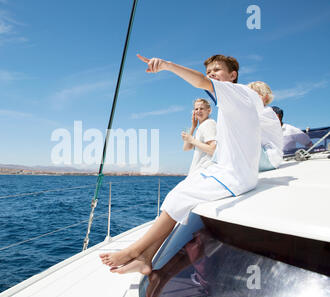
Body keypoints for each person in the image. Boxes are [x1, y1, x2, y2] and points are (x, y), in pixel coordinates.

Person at [100, 54, 263, 275]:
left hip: (234, 174)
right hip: (234, 171)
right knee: (177, 197)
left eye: (217, 70)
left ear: (233, 75)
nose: (211, 74)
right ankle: (146, 257)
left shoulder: (235, 91)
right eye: (209, 71)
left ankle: (133, 251)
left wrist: (167, 66)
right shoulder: (242, 99)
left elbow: (199, 81)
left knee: (179, 197)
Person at [247, 81, 283, 171]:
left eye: (253, 95)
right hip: (263, 157)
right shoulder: (256, 112)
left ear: (265, 97)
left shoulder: (267, 112)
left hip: (270, 158)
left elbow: (243, 121)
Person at [182, 98, 216, 175]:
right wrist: (193, 126)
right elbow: (186, 148)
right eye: (196, 109)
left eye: (202, 108)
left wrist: (192, 140)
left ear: (209, 110)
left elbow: (214, 150)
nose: (198, 111)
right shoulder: (200, 127)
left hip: (203, 174)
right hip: (198, 173)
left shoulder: (208, 124)